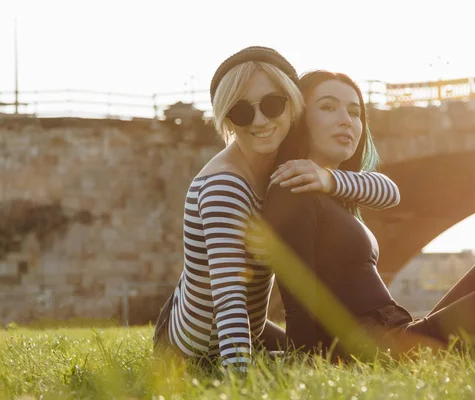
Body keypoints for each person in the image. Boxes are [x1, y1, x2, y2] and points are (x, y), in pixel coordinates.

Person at [262, 70, 475, 362]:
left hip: (401, 334)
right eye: (327, 107)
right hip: (386, 352)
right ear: (299, 118)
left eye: (354, 111)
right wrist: (301, 361)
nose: (346, 120)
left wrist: (329, 178)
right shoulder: (293, 190)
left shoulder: (333, 193)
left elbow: (389, 192)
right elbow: (299, 297)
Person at [152, 47, 402, 373]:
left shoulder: (279, 165)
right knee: (305, 360)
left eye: (272, 105)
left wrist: (328, 179)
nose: (260, 121)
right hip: (198, 346)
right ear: (227, 118)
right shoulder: (224, 187)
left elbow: (390, 193)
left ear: (293, 105)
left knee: (321, 354)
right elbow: (229, 300)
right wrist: (239, 379)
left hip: (252, 328)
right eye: (242, 112)